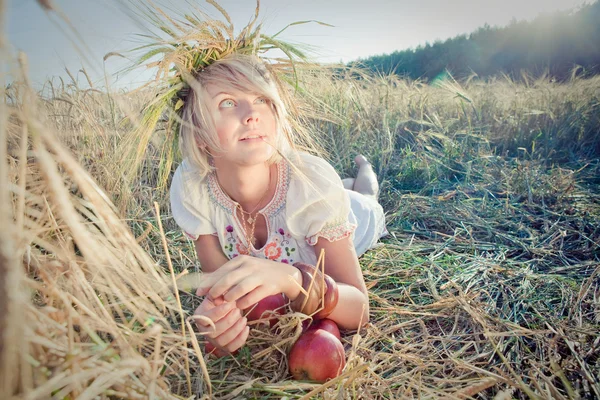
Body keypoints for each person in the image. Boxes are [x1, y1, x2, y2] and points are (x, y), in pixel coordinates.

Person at [169, 54, 387, 355]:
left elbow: (360, 310)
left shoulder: (312, 187)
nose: (251, 114)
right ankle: (350, 183)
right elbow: (222, 289)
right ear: (199, 134)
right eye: (227, 103)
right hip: (315, 207)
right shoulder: (193, 186)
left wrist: (292, 279)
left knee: (366, 198)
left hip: (353, 221)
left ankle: (365, 167)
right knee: (349, 190)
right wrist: (218, 323)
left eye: (261, 98)